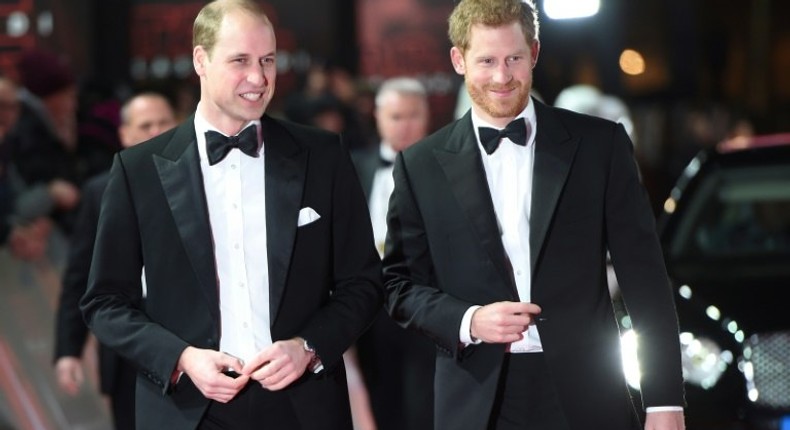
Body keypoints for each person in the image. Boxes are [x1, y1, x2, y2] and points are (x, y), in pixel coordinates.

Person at [381, 1, 686, 430]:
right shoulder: (420, 164)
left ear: (535, 54)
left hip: (588, 396)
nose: (502, 77)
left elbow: (645, 277)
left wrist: (664, 401)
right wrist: (468, 321)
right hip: (475, 399)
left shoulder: (599, 146)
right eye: (486, 60)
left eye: (514, 58)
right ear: (458, 59)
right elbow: (398, 286)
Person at [79, 1, 383, 429]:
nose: (258, 78)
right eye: (240, 61)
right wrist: (182, 358)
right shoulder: (139, 170)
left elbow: (364, 281)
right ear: (200, 60)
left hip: (303, 407)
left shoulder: (323, 156)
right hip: (187, 409)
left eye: (268, 61)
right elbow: (105, 302)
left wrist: (308, 346)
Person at [53, 92, 177, 430]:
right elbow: (81, 275)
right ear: (125, 135)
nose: (155, 131)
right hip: (129, 351)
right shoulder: (99, 191)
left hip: (196, 341)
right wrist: (68, 349)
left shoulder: (207, 181)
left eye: (163, 122)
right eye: (145, 125)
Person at [350, 77, 435, 430]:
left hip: (428, 302)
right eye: (396, 116)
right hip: (371, 307)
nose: (405, 125)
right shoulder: (354, 165)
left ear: (427, 116)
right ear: (378, 116)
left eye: (413, 115)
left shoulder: (445, 167)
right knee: (379, 398)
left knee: (424, 402)